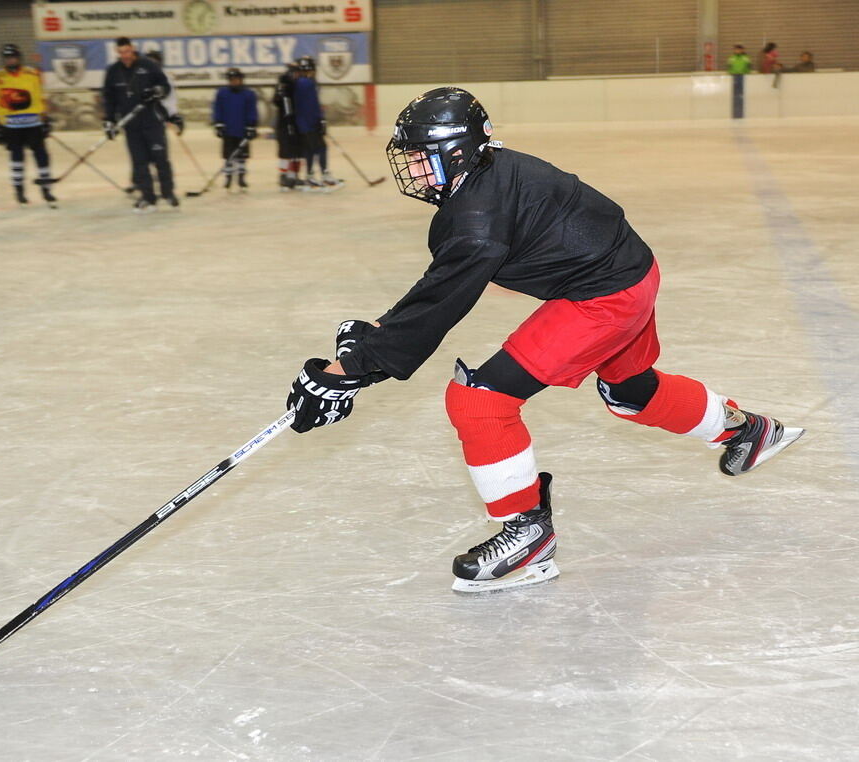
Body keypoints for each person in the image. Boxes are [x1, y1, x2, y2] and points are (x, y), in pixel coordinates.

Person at [285, 88, 804, 593]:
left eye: (424, 158)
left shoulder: (476, 219)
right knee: (630, 392)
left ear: (459, 152)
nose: (415, 171)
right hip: (631, 268)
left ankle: (527, 535)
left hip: (605, 296)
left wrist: (353, 369)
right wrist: (372, 344)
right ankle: (747, 430)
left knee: (479, 400)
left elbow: (444, 300)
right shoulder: (490, 168)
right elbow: (443, 286)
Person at [102, 37, 176, 213]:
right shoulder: (113, 71)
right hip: (131, 125)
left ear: (132, 49)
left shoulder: (148, 65)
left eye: (127, 51)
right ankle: (148, 197)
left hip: (152, 122)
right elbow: (109, 98)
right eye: (121, 53)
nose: (125, 56)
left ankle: (168, 193)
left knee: (160, 159)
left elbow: (165, 86)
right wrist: (109, 120)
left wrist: (156, 92)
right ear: (117, 52)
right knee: (139, 162)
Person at [0, 44, 56, 208]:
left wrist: (45, 118)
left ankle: (46, 188)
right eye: (7, 58)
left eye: (13, 57)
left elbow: (39, 96)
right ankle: (19, 190)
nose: (11, 60)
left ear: (19, 58)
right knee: (17, 158)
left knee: (42, 155)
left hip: (34, 123)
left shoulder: (31, 73)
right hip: (12, 125)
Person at [292, 56, 341, 191]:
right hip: (309, 122)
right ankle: (321, 175)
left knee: (310, 149)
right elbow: (311, 105)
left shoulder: (301, 82)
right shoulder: (306, 83)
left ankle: (311, 175)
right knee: (320, 148)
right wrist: (320, 119)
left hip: (305, 122)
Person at [212, 67, 258, 193]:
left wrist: (251, 126)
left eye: (236, 79)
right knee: (228, 156)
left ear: (241, 79)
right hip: (229, 130)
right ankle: (228, 177)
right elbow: (218, 109)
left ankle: (241, 178)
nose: (234, 82)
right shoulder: (222, 93)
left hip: (242, 130)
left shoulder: (249, 94)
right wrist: (218, 124)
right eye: (232, 80)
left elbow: (252, 111)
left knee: (242, 156)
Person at [273, 62, 304, 191]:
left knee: (297, 151)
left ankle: (293, 175)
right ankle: (283, 175)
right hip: (284, 123)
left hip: (297, 122)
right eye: (295, 72)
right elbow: (276, 101)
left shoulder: (299, 84)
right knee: (285, 150)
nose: (297, 75)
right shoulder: (283, 84)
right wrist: (280, 95)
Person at [144, 50, 185, 135]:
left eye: (154, 62)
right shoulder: (141, 78)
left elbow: (170, 99)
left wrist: (173, 116)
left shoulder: (165, 78)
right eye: (149, 62)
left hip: (161, 119)